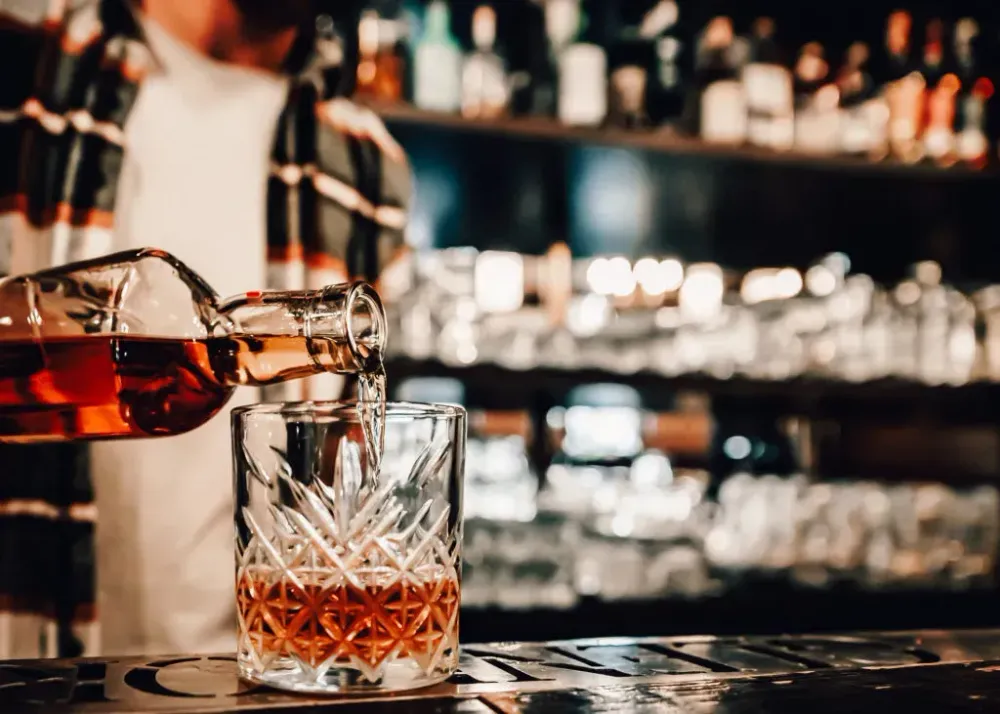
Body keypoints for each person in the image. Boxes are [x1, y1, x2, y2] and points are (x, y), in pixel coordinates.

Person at [0, 0, 411, 658]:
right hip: (31, 665)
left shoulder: (367, 161)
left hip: (256, 678)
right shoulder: (22, 59)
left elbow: (350, 472)